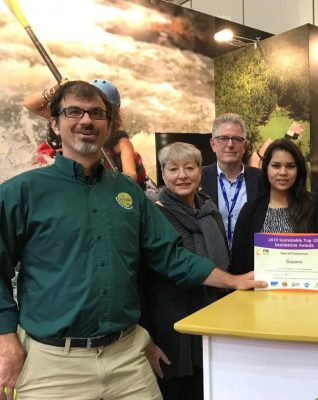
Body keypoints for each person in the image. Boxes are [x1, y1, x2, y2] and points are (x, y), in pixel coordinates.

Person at [0, 81, 264, 400]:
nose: (86, 120)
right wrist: (5, 337)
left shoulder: (128, 193)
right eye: (74, 112)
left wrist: (233, 280)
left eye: (97, 113)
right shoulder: (21, 193)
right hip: (54, 365)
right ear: (54, 122)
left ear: (109, 125)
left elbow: (171, 256)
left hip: (127, 358)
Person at [142, 142, 229, 400]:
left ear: (200, 172)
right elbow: (140, 282)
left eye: (189, 168)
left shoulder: (210, 211)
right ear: (163, 173)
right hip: (170, 329)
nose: (182, 175)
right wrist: (148, 342)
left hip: (211, 323)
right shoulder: (154, 214)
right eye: (173, 169)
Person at [230, 139, 318, 293]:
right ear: (266, 169)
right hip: (260, 304)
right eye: (276, 166)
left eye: (290, 166)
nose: (283, 172)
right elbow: (238, 265)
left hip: (310, 301)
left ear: (299, 170)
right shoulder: (250, 210)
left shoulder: (315, 205)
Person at [23, 78, 146, 188]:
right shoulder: (69, 117)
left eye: (98, 112)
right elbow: (30, 104)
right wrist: (56, 89)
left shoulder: (120, 141)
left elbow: (130, 175)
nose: (87, 120)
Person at [200, 113, 262, 250]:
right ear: (213, 144)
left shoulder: (262, 179)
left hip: (250, 263)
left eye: (237, 139)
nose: (230, 144)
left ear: (245, 146)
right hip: (212, 263)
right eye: (223, 138)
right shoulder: (198, 178)